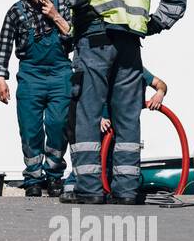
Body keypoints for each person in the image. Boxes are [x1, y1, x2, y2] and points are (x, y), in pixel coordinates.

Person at [65, 0, 187, 205]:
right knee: (128, 118)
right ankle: (127, 190)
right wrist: (153, 24)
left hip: (95, 38)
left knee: (87, 114)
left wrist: (81, 14)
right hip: (131, 43)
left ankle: (90, 190)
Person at [0, 0, 74, 196]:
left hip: (60, 75)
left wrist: (54, 16)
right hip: (31, 76)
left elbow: (74, 36)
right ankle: (34, 178)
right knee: (30, 130)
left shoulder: (63, 4)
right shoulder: (16, 12)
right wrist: (0, 79)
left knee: (58, 126)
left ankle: (55, 175)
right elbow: (3, 46)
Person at [61, 68, 168, 198]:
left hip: (121, 128)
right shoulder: (99, 68)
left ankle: (114, 192)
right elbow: (86, 97)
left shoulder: (134, 69)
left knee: (117, 163)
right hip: (99, 127)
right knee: (90, 163)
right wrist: (97, 118)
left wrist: (160, 93)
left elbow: (160, 84)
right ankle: (72, 189)